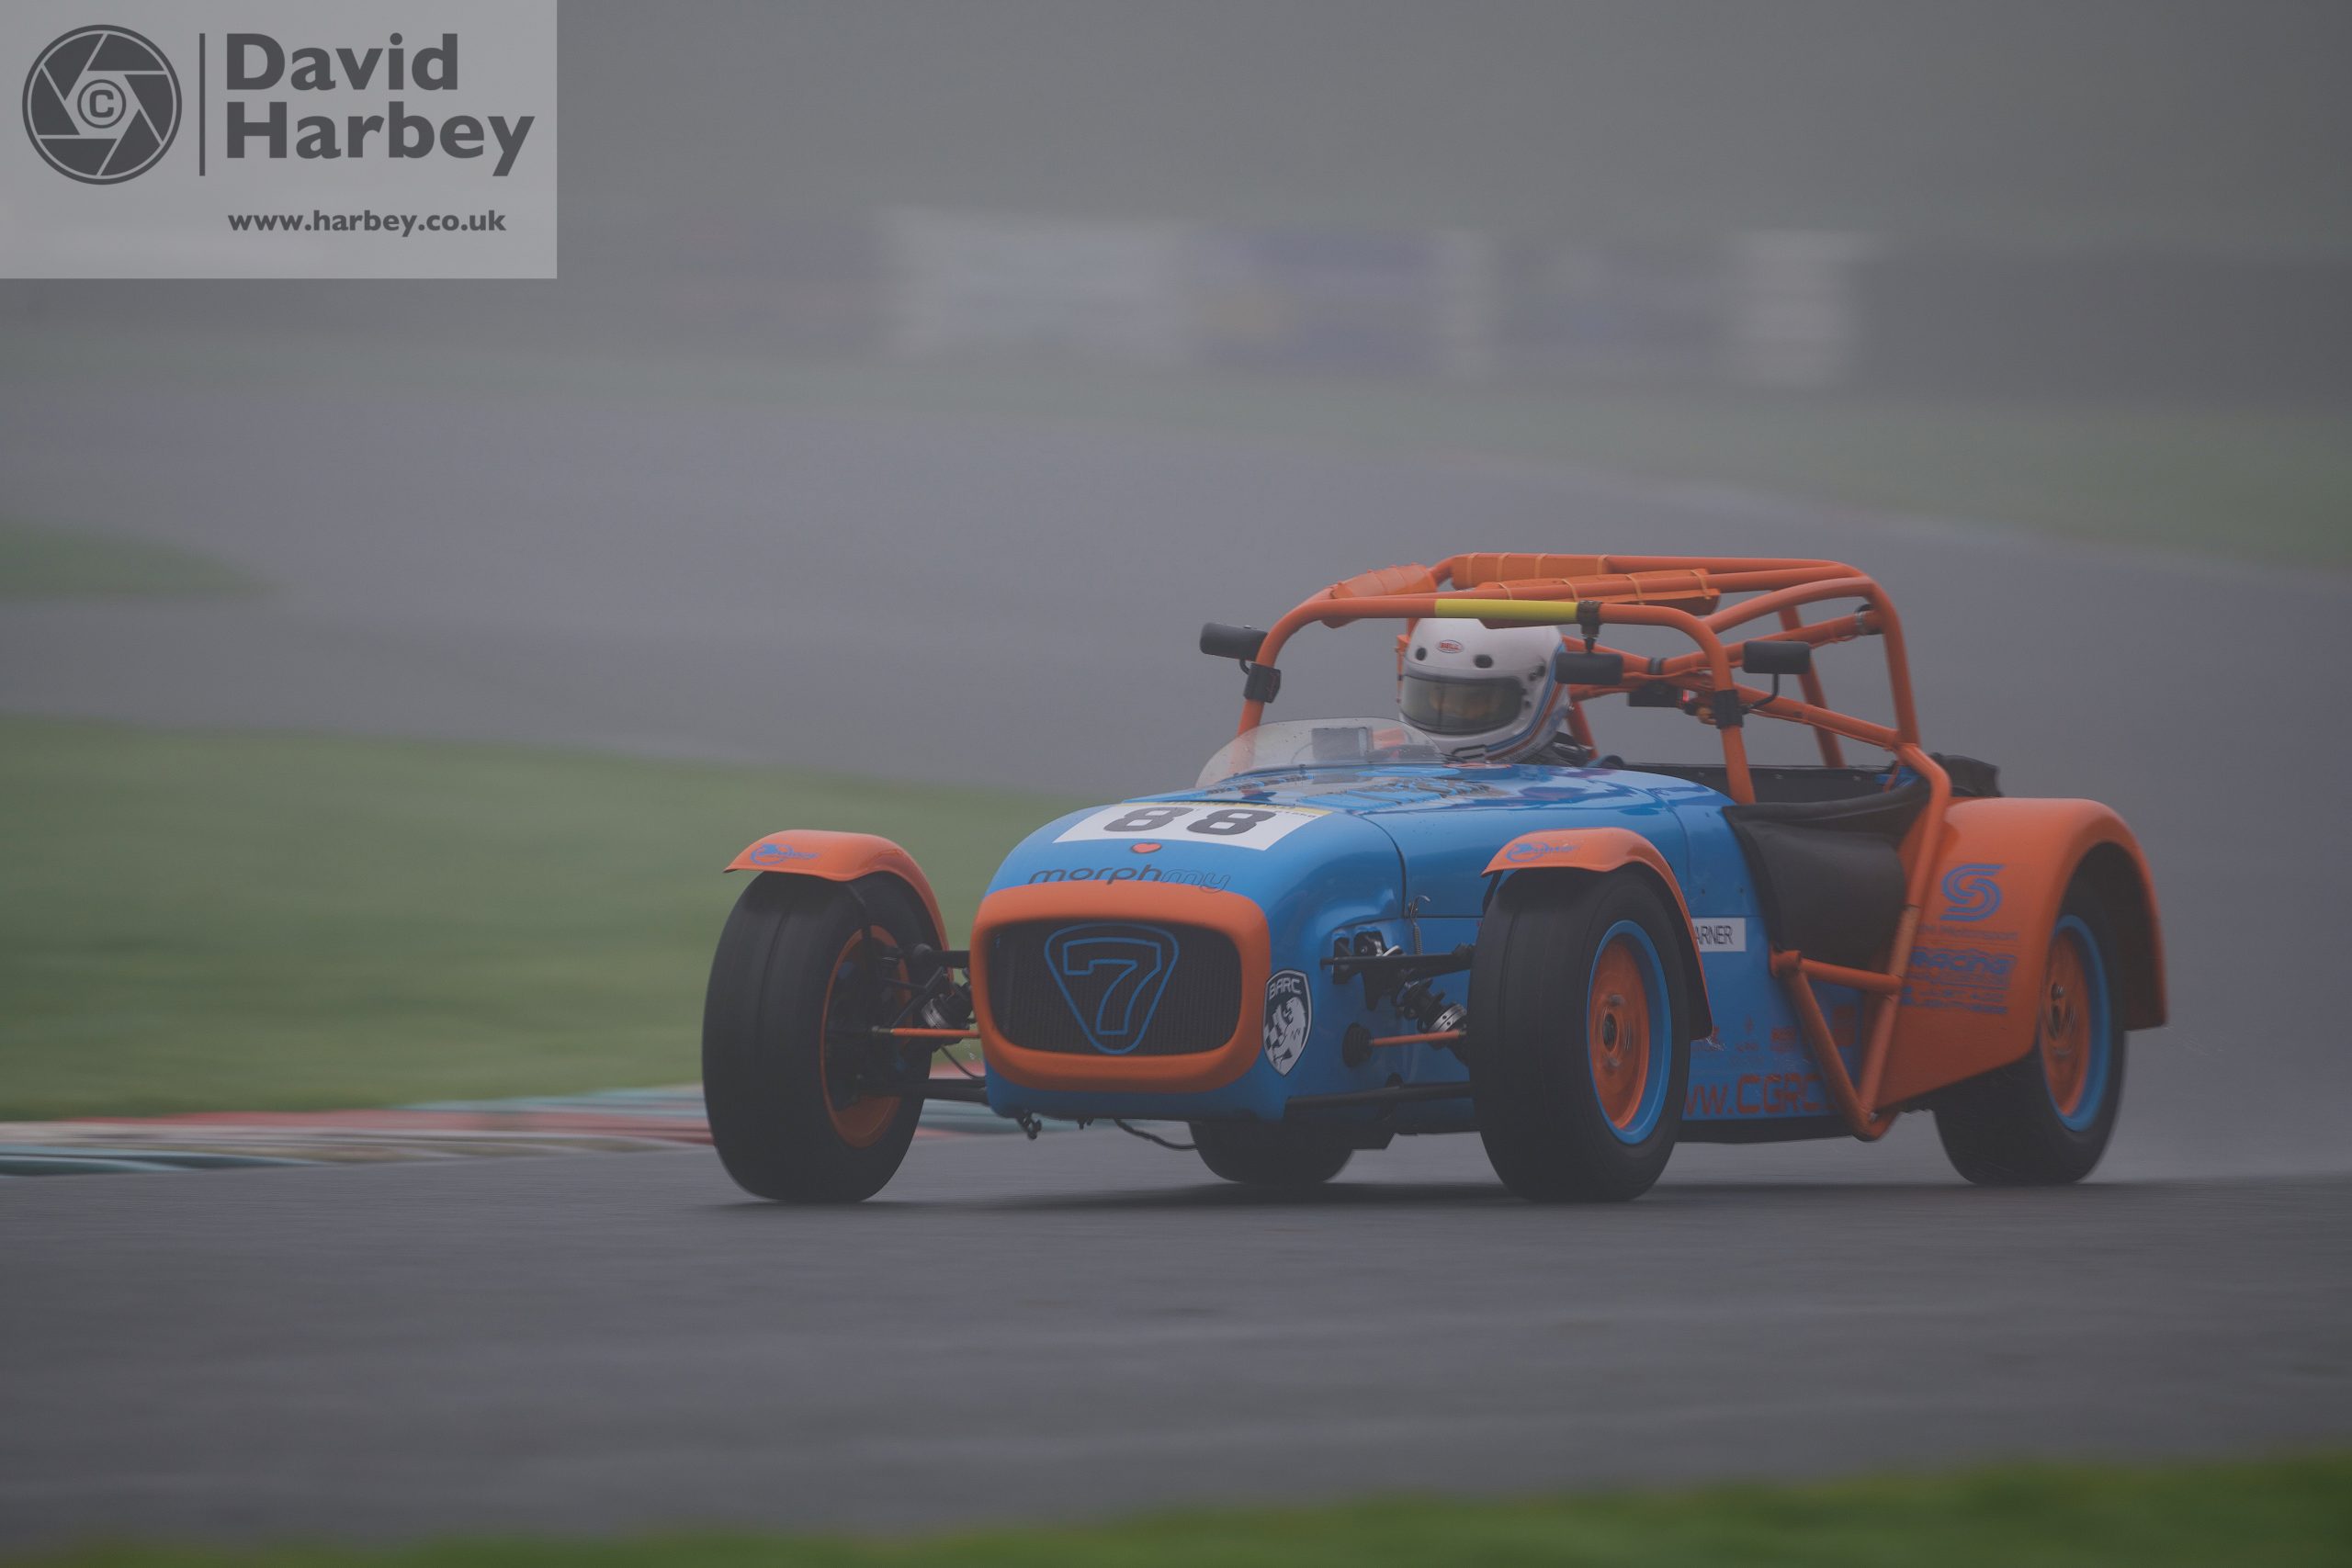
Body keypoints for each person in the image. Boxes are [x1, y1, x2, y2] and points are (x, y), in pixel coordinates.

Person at [1396, 618, 1589, 764]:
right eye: (1439, 693)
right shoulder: (1390, 763)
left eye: (1475, 698)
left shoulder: (1574, 793)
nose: (1452, 708)